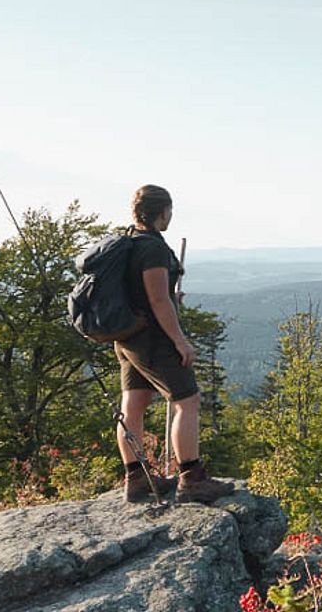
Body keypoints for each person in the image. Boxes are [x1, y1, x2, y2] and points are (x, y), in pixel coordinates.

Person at [113, 184, 230, 504]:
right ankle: (191, 478)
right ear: (162, 211)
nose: (171, 215)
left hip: (127, 338)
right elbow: (157, 299)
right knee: (188, 400)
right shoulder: (151, 248)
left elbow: (145, 293)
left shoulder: (127, 243)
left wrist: (167, 297)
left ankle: (136, 479)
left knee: (133, 405)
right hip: (152, 338)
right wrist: (180, 341)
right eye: (170, 209)